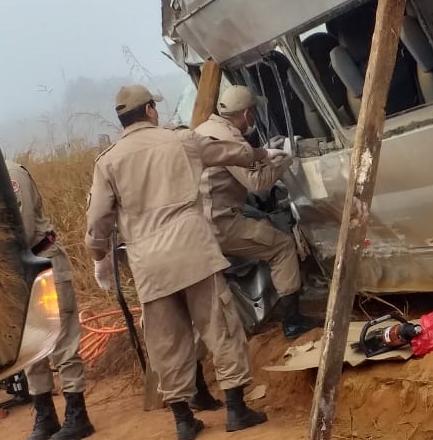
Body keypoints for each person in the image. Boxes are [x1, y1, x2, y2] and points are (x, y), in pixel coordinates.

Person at [85, 85, 284, 440]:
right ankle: (237, 410)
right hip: (193, 253)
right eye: (154, 107)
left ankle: (182, 420)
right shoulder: (179, 140)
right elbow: (227, 152)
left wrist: (99, 256)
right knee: (219, 327)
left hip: (149, 265)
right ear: (148, 110)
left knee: (166, 341)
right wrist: (262, 152)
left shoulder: (108, 161)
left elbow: (98, 219)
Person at [194, 85, 323, 339]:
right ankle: (293, 321)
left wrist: (263, 152)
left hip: (198, 223)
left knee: (263, 222)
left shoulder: (204, 129)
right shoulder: (230, 138)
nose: (253, 118)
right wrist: (284, 159)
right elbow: (257, 183)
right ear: (246, 114)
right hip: (220, 224)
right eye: (253, 113)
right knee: (282, 246)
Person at [5, 161, 95, 440]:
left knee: (62, 341)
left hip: (41, 262)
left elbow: (26, 229)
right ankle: (45, 415)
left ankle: (77, 415)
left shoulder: (8, 174)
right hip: (12, 271)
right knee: (28, 346)